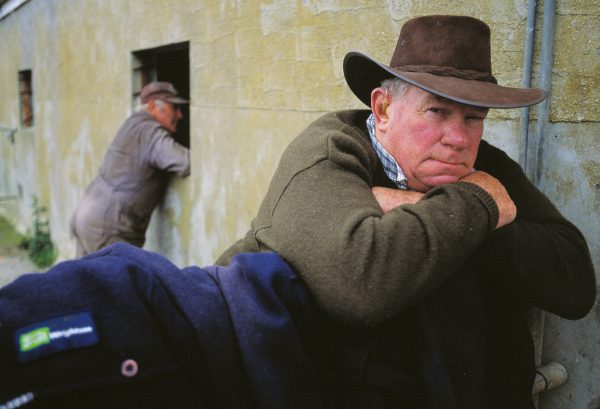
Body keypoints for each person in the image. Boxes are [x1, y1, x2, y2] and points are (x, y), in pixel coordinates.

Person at [217, 15, 596, 408]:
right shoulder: (329, 150)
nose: (458, 139)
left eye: (474, 118)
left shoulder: (488, 167)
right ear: (383, 109)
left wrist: (456, 215)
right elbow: (359, 282)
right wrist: (475, 205)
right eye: (437, 112)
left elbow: (576, 285)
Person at [71, 81, 190, 257]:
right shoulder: (149, 130)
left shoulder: (134, 122)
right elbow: (184, 162)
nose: (180, 115)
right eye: (174, 108)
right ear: (152, 106)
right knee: (116, 282)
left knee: (87, 281)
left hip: (89, 216)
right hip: (110, 227)